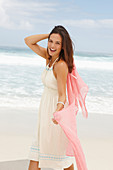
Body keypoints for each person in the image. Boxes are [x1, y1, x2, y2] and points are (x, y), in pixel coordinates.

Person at [24, 25, 75, 170]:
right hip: (44, 112)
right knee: (42, 153)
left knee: (61, 157)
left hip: (54, 115)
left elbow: (62, 94)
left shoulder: (60, 65)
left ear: (63, 46)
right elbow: (28, 41)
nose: (52, 46)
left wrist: (57, 112)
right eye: (50, 41)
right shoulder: (49, 58)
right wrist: (51, 35)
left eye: (57, 43)